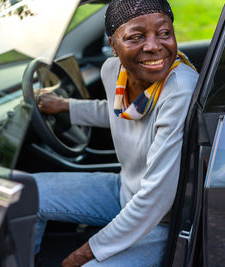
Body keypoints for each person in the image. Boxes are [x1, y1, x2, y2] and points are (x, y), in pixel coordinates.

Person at [34, 0, 198, 266]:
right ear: (113, 45)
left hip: (164, 219)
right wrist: (65, 106)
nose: (154, 46)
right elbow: (119, 111)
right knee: (27, 194)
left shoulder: (179, 91)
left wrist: (84, 253)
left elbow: (156, 200)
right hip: (126, 191)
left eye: (164, 33)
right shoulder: (112, 71)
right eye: (136, 37)